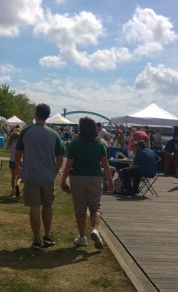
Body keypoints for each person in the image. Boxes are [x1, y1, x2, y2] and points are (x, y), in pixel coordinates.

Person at [15, 104, 64, 250]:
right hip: (48, 176)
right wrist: (54, 173)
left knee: (34, 207)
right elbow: (60, 158)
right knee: (48, 206)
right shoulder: (54, 134)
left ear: (36, 114)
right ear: (48, 115)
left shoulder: (26, 131)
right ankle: (47, 235)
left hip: (31, 176)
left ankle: (36, 239)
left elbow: (18, 153)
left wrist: (18, 168)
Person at [61, 117, 114, 248]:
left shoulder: (74, 143)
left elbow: (68, 165)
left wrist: (63, 181)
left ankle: (82, 237)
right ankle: (95, 230)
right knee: (96, 207)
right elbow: (105, 165)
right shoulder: (100, 144)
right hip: (95, 178)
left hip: (77, 178)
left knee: (80, 209)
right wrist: (110, 181)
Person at [6, 129, 22, 200]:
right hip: (20, 161)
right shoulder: (20, 144)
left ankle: (13, 191)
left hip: (12, 161)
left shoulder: (11, 144)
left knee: (13, 177)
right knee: (19, 176)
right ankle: (17, 185)